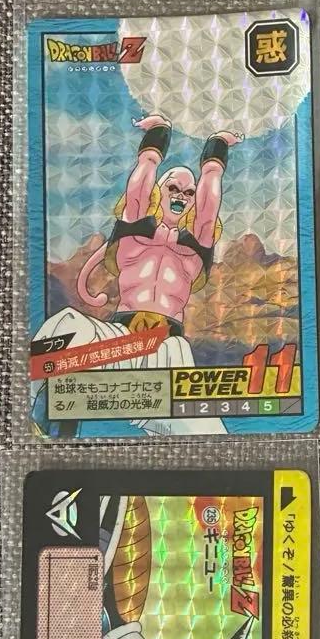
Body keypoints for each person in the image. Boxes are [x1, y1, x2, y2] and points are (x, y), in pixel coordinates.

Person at [33, 113, 243, 434]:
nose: (181, 196)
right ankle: (44, 425)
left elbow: (209, 205)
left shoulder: (195, 247)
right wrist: (157, 137)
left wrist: (216, 153)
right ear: (159, 191)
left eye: (189, 193)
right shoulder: (134, 233)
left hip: (169, 350)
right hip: (121, 340)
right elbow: (139, 186)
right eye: (173, 187)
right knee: (65, 326)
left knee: (210, 435)